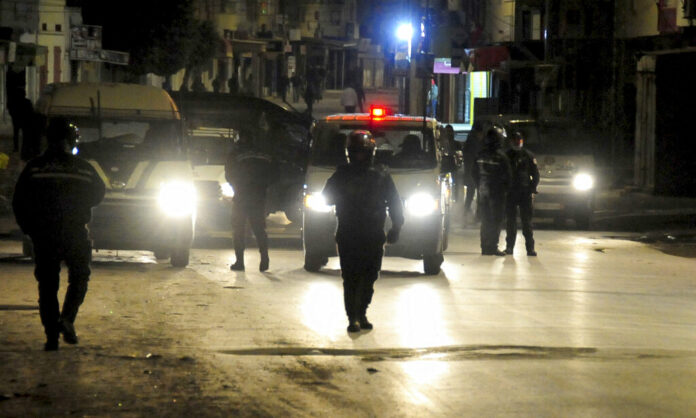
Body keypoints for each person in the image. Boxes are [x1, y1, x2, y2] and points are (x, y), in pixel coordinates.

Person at [12, 118, 106, 351]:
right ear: (69, 140)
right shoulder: (83, 168)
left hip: (44, 235)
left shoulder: (34, 168)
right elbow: (98, 194)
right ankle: (67, 319)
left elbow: (19, 201)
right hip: (74, 232)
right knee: (80, 276)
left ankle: (51, 337)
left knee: (47, 285)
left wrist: (30, 230)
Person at [322, 130, 404, 333]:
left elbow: (394, 202)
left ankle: (362, 312)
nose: (359, 156)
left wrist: (397, 225)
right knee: (350, 277)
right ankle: (353, 317)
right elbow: (326, 198)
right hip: (349, 232)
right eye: (356, 152)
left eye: (363, 152)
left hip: (373, 233)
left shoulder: (381, 174)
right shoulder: (341, 175)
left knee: (370, 276)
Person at [225, 130, 278, 272]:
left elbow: (229, 174)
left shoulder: (235, 154)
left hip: (241, 196)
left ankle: (240, 262)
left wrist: (236, 186)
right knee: (260, 229)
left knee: (238, 229)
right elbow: (274, 174)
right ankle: (264, 258)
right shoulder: (264, 154)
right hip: (259, 197)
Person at [471, 126, 512, 256]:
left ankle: (484, 247)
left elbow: (474, 173)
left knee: (485, 220)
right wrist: (505, 190)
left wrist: (479, 185)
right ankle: (492, 247)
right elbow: (508, 177)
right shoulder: (501, 157)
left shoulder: (479, 155)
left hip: (483, 193)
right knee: (496, 221)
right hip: (497, 194)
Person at [505, 131, 540, 256]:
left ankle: (530, 248)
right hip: (511, 193)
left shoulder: (528, 155)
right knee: (510, 222)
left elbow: (535, 175)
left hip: (524, 193)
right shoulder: (506, 155)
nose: (516, 142)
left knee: (527, 223)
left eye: (518, 140)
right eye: (514, 140)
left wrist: (532, 188)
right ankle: (509, 247)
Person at [462, 123, 484, 218]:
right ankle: (474, 215)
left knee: (471, 194)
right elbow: (474, 157)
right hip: (474, 172)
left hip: (472, 172)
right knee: (476, 193)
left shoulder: (470, 140)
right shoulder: (474, 142)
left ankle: (467, 213)